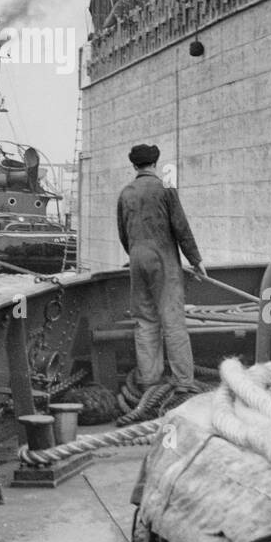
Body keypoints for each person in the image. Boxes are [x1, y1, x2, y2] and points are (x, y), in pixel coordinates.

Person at [116, 143, 206, 392]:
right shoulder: (165, 188)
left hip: (137, 259)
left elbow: (123, 234)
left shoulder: (126, 193)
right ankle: (183, 382)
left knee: (144, 320)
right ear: (154, 163)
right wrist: (195, 261)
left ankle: (148, 380)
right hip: (163, 259)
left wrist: (137, 254)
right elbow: (181, 227)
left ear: (134, 166)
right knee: (173, 320)